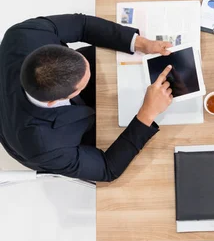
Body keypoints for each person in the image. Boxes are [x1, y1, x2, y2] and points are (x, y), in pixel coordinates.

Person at [0, 14, 174, 182]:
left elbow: (82, 25)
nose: (91, 73)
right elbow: (108, 168)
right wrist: (147, 114)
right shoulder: (46, 147)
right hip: (70, 134)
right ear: (56, 101)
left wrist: (140, 43)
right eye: (84, 82)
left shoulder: (24, 33)